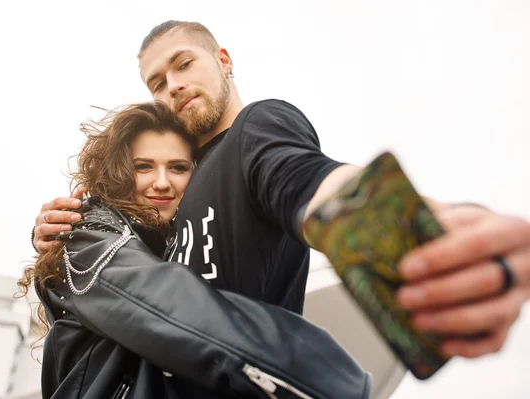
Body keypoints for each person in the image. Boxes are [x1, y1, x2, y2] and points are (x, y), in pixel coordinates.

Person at [33, 20, 530, 373]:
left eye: (183, 64)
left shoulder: (256, 129)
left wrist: (437, 232)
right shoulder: (177, 187)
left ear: (223, 60)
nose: (173, 87)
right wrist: (54, 233)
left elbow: (311, 181)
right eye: (157, 83)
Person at [20, 101, 371, 399]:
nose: (161, 182)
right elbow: (163, 303)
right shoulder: (85, 230)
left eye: (178, 168)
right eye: (143, 166)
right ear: (119, 172)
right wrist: (324, 377)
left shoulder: (174, 244)